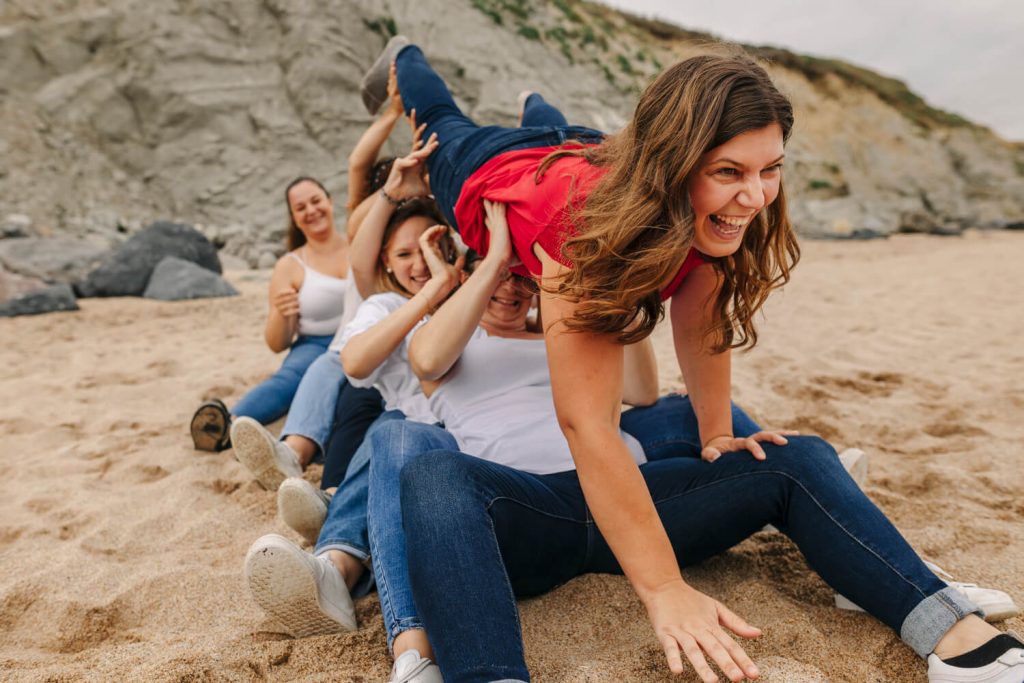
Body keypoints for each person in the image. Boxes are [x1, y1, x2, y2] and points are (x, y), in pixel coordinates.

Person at [355, 40, 1023, 683]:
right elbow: (586, 424)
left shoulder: (717, 216)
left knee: (794, 454)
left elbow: (700, 319)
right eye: (729, 171)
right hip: (495, 171)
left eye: (770, 168)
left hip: (591, 171)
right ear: (672, 166)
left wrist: (714, 432)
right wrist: (664, 588)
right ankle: (412, 60)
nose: (757, 195)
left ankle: (955, 635)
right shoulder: (579, 229)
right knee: (442, 119)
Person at [242, 196, 461, 674]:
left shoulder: (476, 294)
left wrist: (452, 283)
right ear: (385, 261)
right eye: (403, 254)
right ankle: (336, 569)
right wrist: (427, 296)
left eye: (428, 249)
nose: (418, 264)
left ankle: (339, 553)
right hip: (405, 431)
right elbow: (355, 361)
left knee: (389, 435)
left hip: (465, 435)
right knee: (389, 433)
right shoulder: (384, 304)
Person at [190, 177, 350, 453]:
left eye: (316, 201)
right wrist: (283, 313)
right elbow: (276, 343)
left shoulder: (359, 246)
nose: (311, 211)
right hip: (313, 344)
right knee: (292, 378)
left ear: (330, 201)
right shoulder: (289, 265)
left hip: (357, 337)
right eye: (300, 208)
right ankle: (227, 424)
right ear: (293, 218)